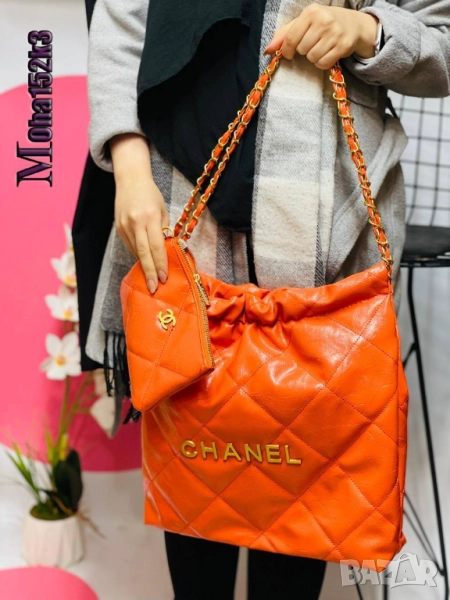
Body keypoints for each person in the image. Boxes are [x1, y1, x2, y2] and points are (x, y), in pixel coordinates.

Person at [74, 1, 450, 598]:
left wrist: (368, 30)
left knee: (303, 499)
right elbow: (123, 19)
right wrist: (128, 162)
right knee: (195, 482)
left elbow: (442, 42)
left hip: (326, 227)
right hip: (176, 203)